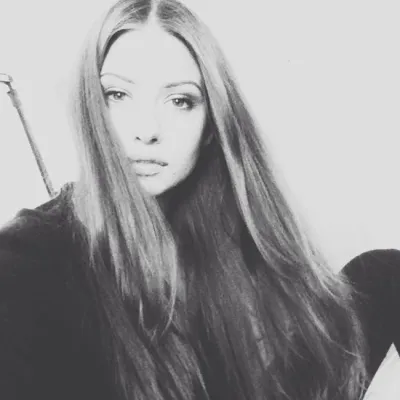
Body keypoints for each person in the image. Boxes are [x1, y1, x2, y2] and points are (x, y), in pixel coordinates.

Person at [1, 0, 394, 398]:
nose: (147, 130)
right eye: (117, 94)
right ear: (90, 107)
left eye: (180, 101)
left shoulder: (232, 233)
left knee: (384, 272)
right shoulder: (24, 262)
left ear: (211, 126)